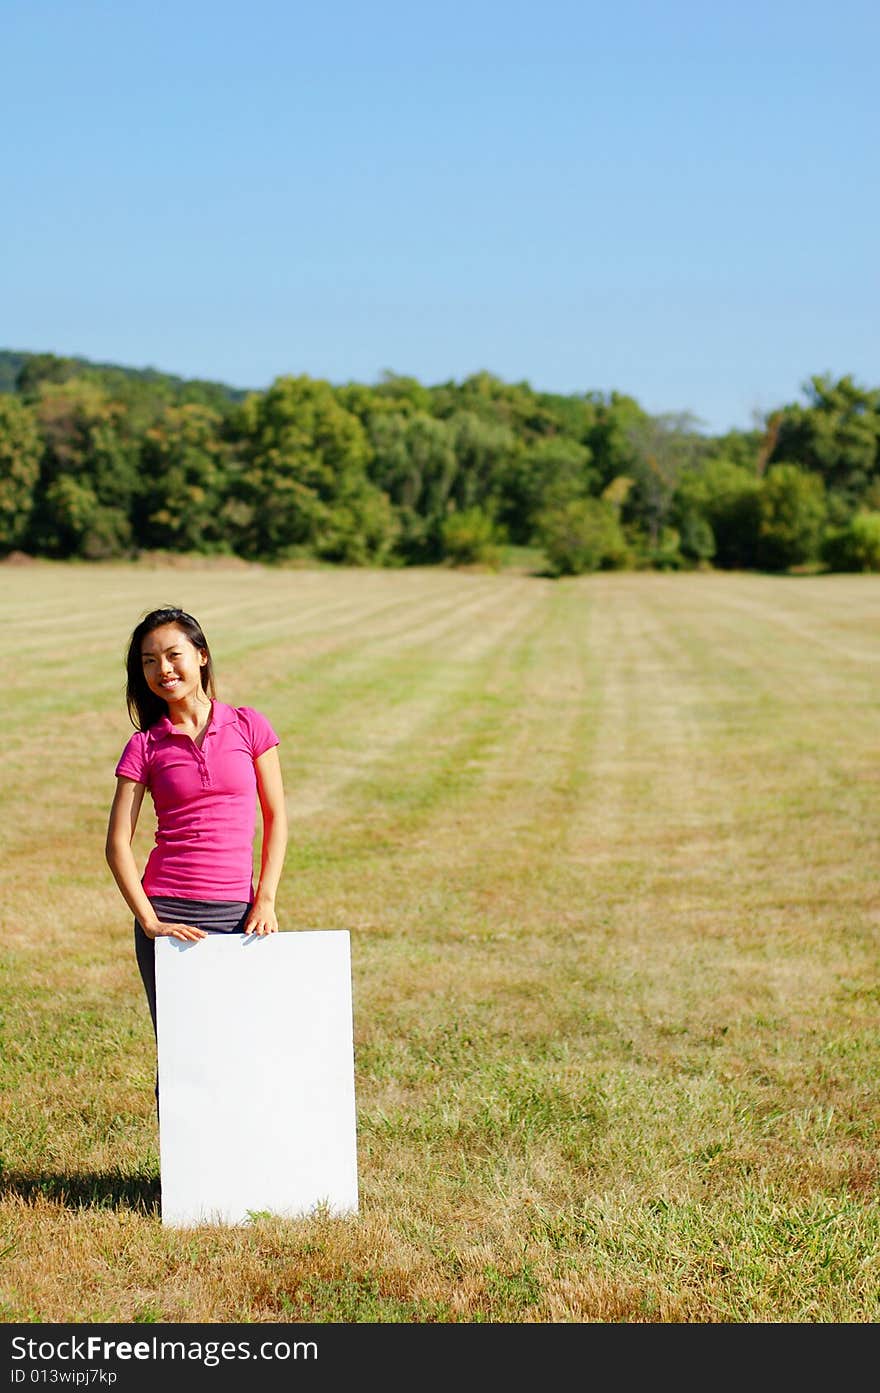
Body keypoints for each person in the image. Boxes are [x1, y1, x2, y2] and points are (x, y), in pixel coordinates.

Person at [105, 606, 289, 1064]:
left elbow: (276, 817)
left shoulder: (249, 725)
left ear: (201, 656)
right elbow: (116, 845)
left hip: (236, 914)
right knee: (182, 1055)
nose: (162, 669)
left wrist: (264, 900)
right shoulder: (145, 744)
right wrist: (149, 922)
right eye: (148, 661)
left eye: (173, 655)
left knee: (243, 1045)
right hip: (168, 913)